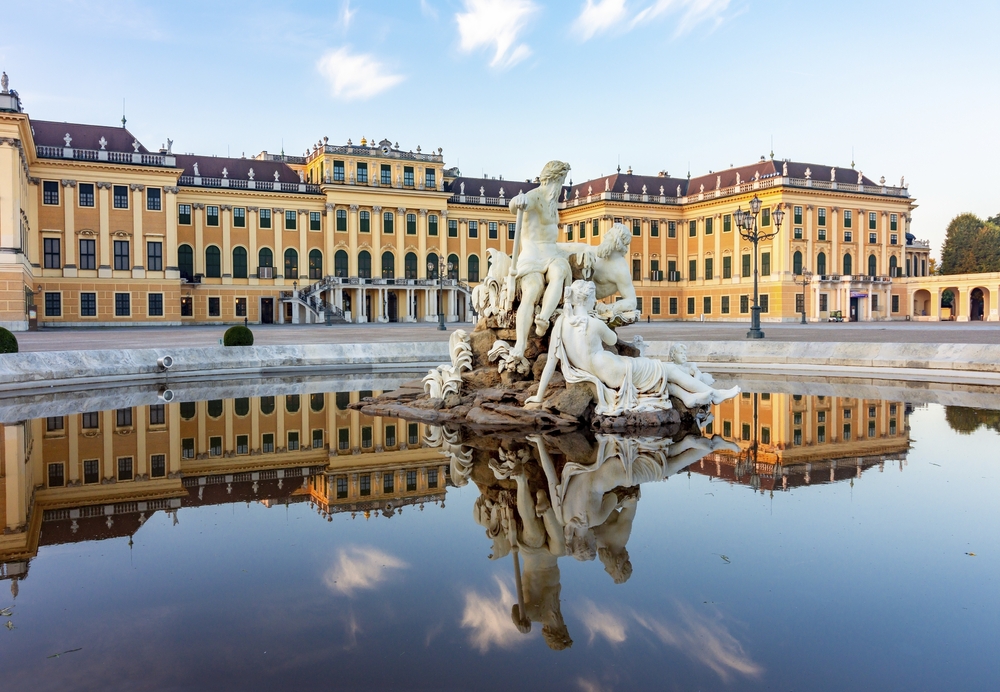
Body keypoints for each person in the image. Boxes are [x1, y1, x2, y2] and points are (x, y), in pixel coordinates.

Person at [528, 280, 739, 414]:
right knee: (669, 369)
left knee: (658, 380)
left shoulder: (561, 324)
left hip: (606, 371)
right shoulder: (594, 324)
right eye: (594, 298)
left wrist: (539, 396)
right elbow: (611, 340)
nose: (595, 301)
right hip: (614, 371)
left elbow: (550, 364)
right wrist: (601, 317)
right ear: (589, 299)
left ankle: (689, 397)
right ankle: (715, 393)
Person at [505, 161, 573, 361]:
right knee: (533, 288)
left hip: (551, 253)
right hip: (532, 255)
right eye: (561, 181)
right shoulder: (534, 196)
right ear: (553, 179)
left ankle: (543, 317)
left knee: (560, 271)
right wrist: (517, 201)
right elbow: (514, 206)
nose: (561, 186)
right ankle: (520, 343)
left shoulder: (554, 204)